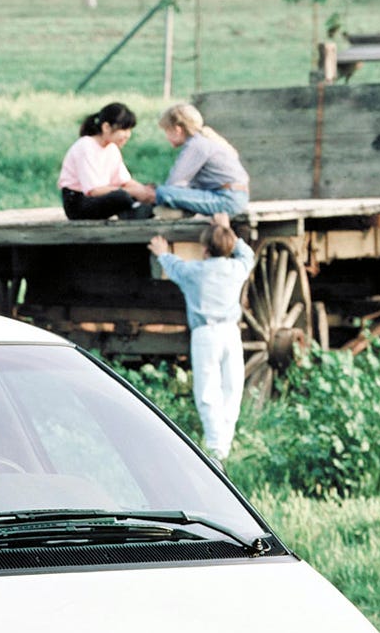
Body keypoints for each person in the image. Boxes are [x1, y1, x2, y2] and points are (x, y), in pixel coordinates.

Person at [148, 215, 256, 463]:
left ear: (205, 249)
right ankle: (224, 442)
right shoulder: (235, 269)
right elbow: (248, 256)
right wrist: (227, 229)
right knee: (232, 387)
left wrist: (162, 252)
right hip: (230, 331)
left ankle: (217, 445)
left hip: (205, 333)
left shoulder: (195, 271)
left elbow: (175, 267)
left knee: (208, 390)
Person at [123, 102, 250, 218]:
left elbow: (174, 183)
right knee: (163, 192)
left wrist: (150, 191)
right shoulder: (203, 141)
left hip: (227, 199)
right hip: (233, 196)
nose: (167, 137)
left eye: (167, 131)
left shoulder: (196, 145)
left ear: (177, 129)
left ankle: (124, 198)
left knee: (163, 193)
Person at [58, 101, 151, 220]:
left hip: (101, 196)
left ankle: (135, 210)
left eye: (129, 130)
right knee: (122, 196)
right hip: (80, 202)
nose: (128, 135)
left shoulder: (112, 148)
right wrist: (133, 192)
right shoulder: (86, 146)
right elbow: (94, 191)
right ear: (106, 127)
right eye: (123, 130)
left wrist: (146, 191)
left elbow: (124, 180)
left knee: (149, 191)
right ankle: (134, 210)